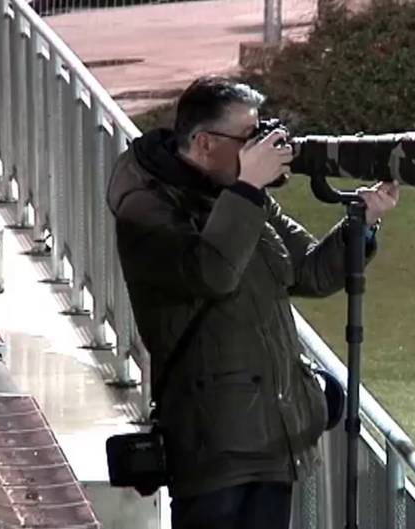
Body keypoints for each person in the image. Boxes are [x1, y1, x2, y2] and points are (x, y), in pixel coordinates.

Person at [105, 75, 398, 529]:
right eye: (249, 137)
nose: (263, 146)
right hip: (214, 446)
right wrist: (246, 189)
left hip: (271, 439)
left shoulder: (244, 195)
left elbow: (310, 271)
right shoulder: (147, 211)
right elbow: (212, 273)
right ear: (204, 143)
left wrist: (363, 222)